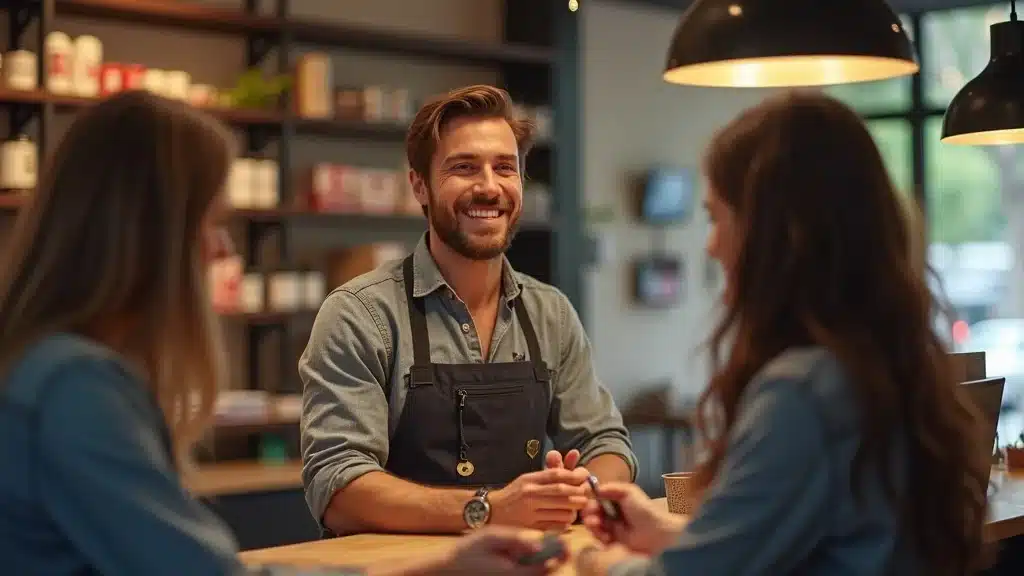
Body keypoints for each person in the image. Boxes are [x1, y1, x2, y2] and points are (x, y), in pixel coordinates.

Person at [0, 90, 567, 576]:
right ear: (144, 234)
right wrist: (478, 520)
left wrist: (433, 566)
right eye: (211, 223)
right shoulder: (78, 390)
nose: (221, 249)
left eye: (505, 166)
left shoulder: (47, 370)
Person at [574, 91, 991, 576]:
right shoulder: (884, 361)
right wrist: (665, 531)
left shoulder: (802, 393)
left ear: (772, 231)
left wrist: (591, 563)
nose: (710, 247)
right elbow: (806, 544)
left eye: (715, 217)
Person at [299, 84, 637, 537]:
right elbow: (338, 487)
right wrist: (489, 510)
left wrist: (584, 487)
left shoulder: (550, 314)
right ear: (419, 185)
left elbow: (606, 442)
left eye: (505, 168)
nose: (489, 187)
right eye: (463, 168)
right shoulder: (360, 315)